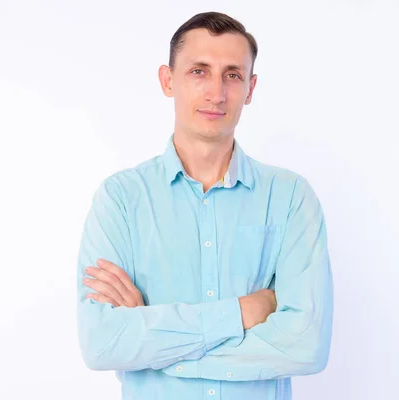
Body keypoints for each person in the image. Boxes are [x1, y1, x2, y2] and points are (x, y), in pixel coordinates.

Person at [76, 11, 333, 400]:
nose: (217, 93)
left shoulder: (290, 198)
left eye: (232, 74)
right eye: (199, 72)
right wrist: (242, 313)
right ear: (168, 80)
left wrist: (154, 345)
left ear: (250, 87)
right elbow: (101, 344)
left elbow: (306, 345)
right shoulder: (121, 200)